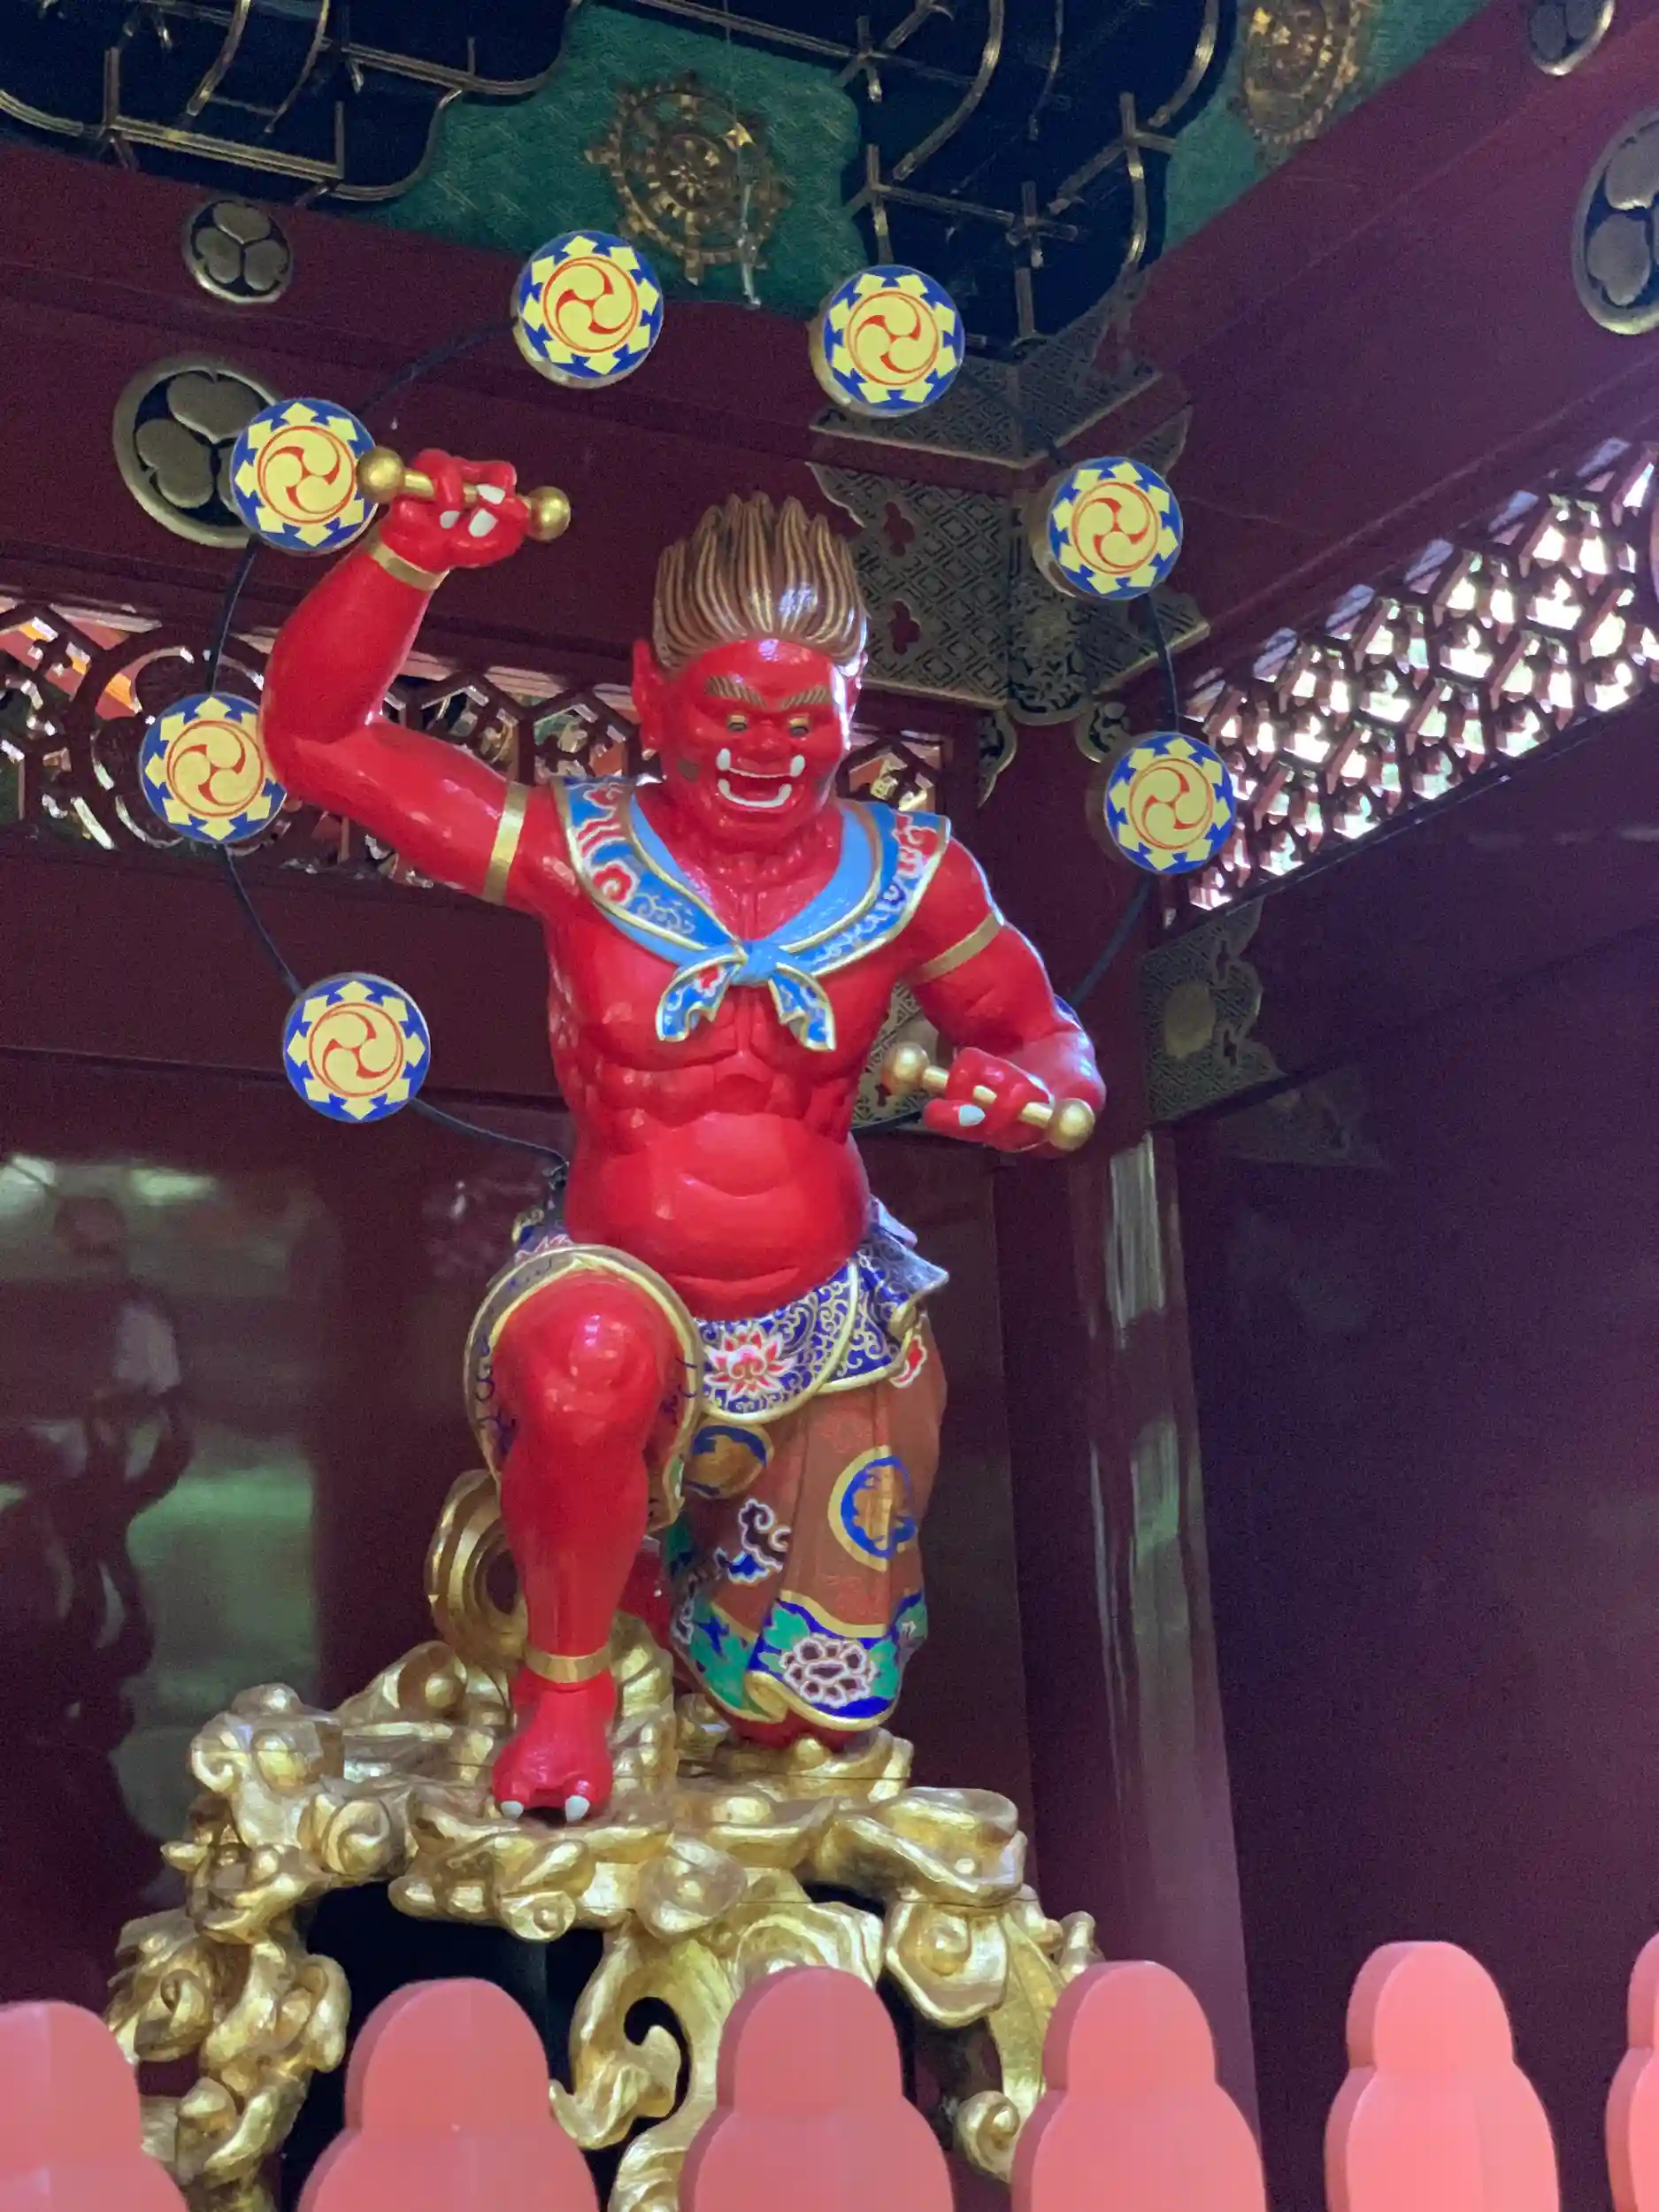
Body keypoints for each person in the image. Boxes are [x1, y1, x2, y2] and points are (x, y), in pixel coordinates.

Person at [263, 457, 1104, 1822]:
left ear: (852, 706)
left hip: (829, 1312)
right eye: (728, 711)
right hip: (622, 1282)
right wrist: (403, 556)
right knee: (588, 1368)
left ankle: (708, 1672)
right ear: (651, 695)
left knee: (805, 1730)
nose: (765, 748)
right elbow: (317, 743)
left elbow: (1043, 1034)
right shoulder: (577, 850)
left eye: (803, 718)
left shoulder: (912, 875)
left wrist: (1038, 1098)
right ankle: (567, 1693)